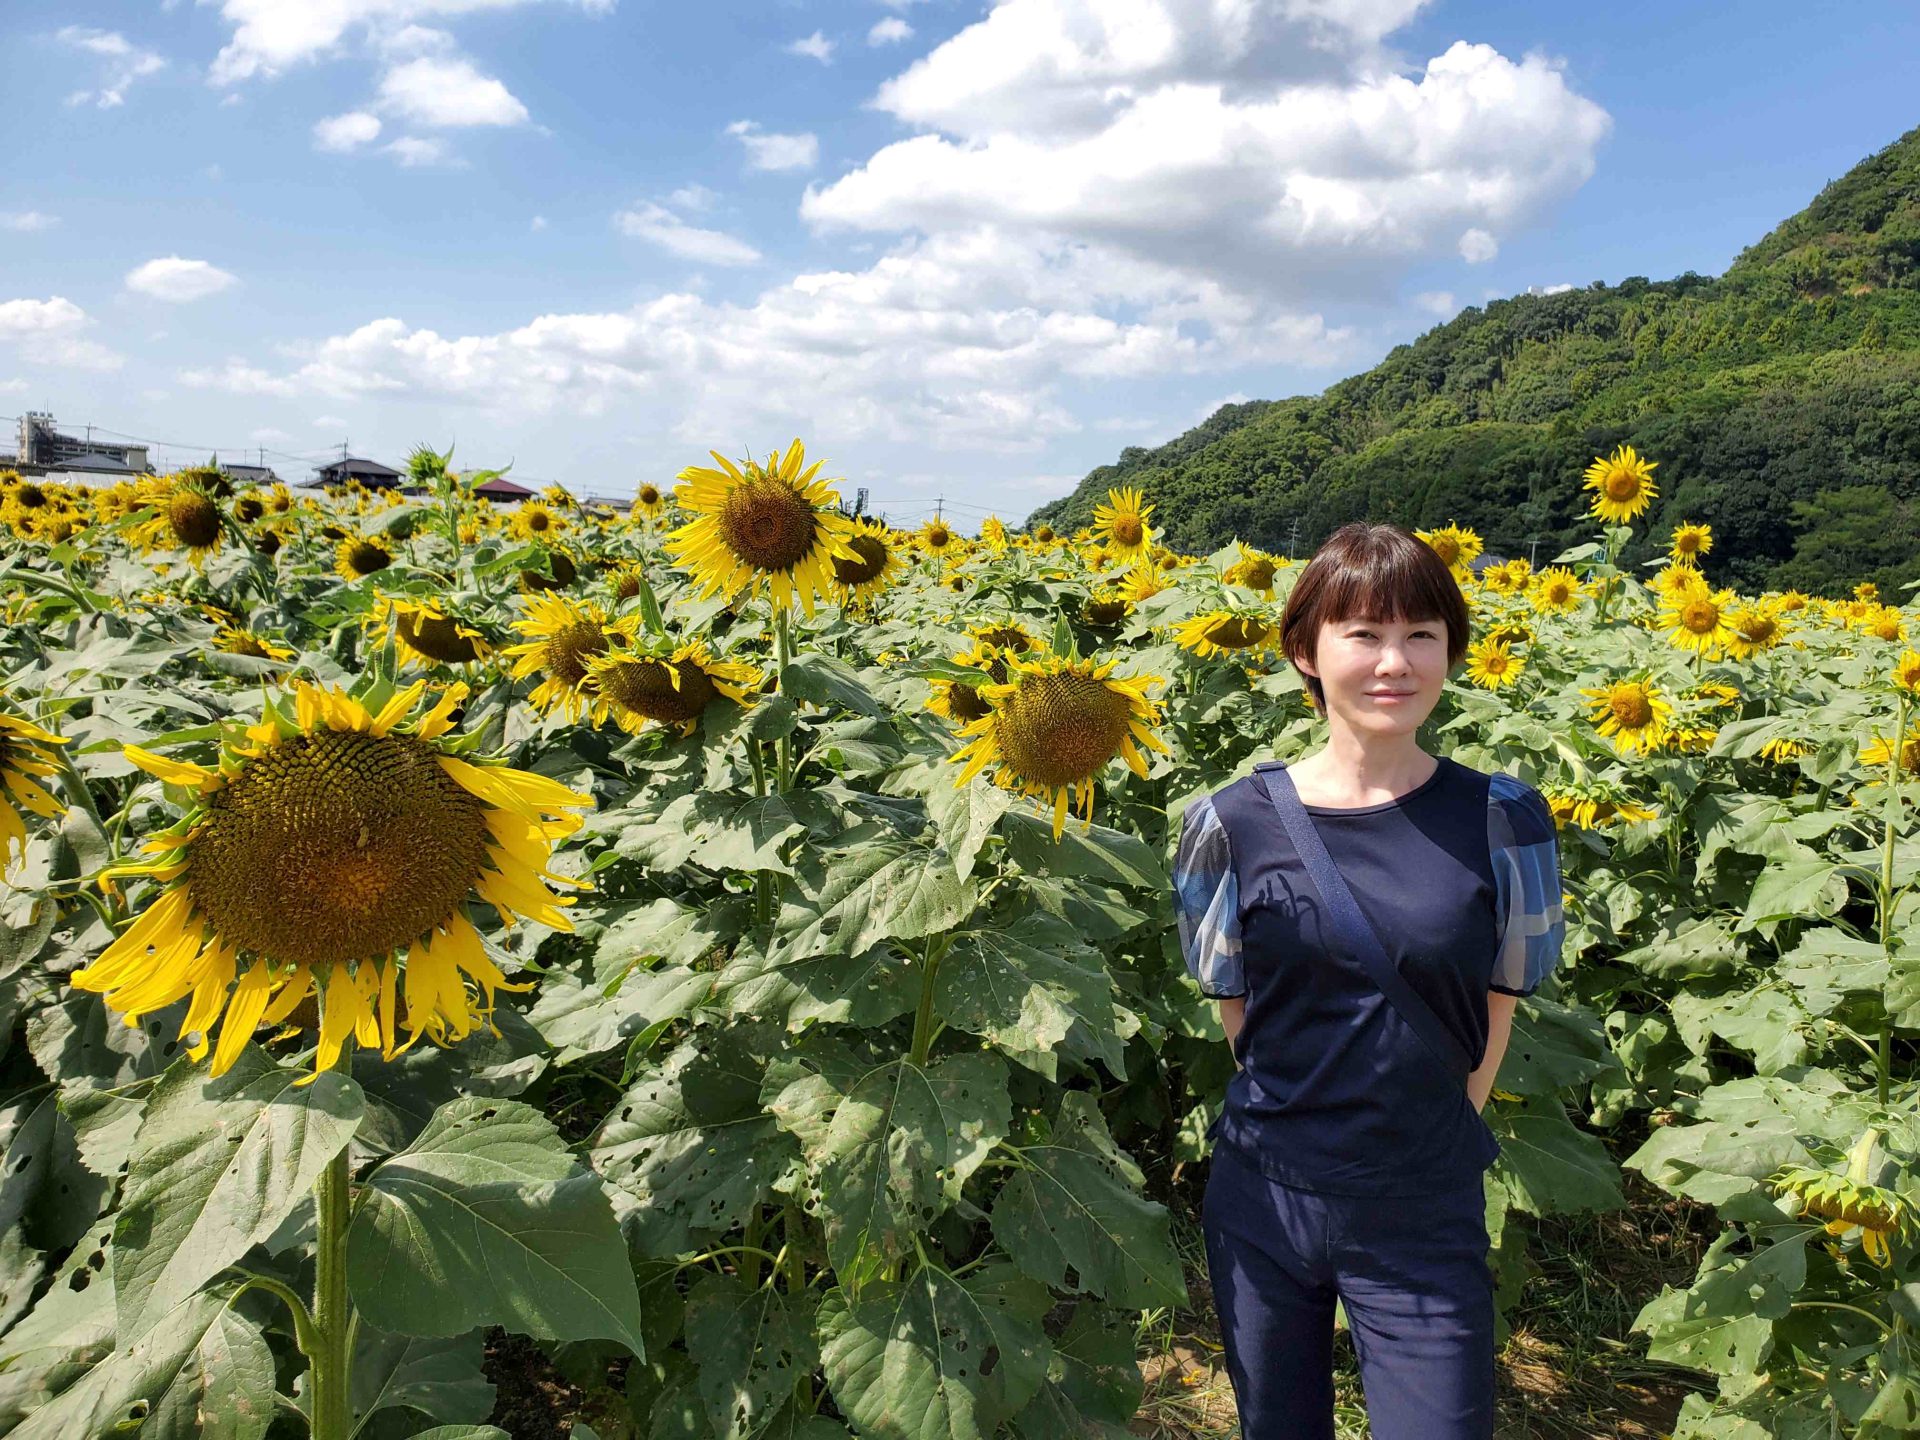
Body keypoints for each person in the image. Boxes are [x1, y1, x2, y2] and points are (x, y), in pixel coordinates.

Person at [1170, 521, 1566, 1440]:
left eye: (1421, 634)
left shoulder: (1503, 818)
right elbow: (1234, 1000)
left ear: (1451, 652)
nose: (1395, 661)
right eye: (1364, 634)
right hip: (1265, 1196)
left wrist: (1435, 1123)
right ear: (1305, 651)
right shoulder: (1230, 824)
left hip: (1423, 1203)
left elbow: (1502, 995)